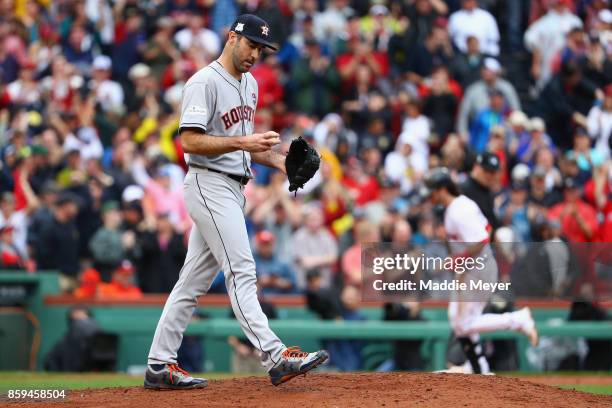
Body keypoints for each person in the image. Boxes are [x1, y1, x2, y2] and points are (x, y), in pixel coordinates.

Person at [145, 15, 328, 391]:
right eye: (251, 45)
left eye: (262, 50)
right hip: (207, 183)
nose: (255, 55)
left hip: (233, 187)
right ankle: (275, 355)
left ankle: (159, 364)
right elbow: (191, 142)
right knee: (242, 270)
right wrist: (244, 144)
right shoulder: (204, 81)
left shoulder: (251, 85)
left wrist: (279, 162)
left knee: (190, 283)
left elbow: (243, 144)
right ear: (232, 38)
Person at [423, 167, 538, 374]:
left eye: (432, 191)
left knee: (465, 324)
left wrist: (455, 260)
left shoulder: (459, 210)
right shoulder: (460, 206)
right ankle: (477, 365)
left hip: (478, 269)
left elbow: (481, 240)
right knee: (456, 319)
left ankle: (517, 320)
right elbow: (487, 229)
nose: (430, 196)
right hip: (473, 267)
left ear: (442, 189)